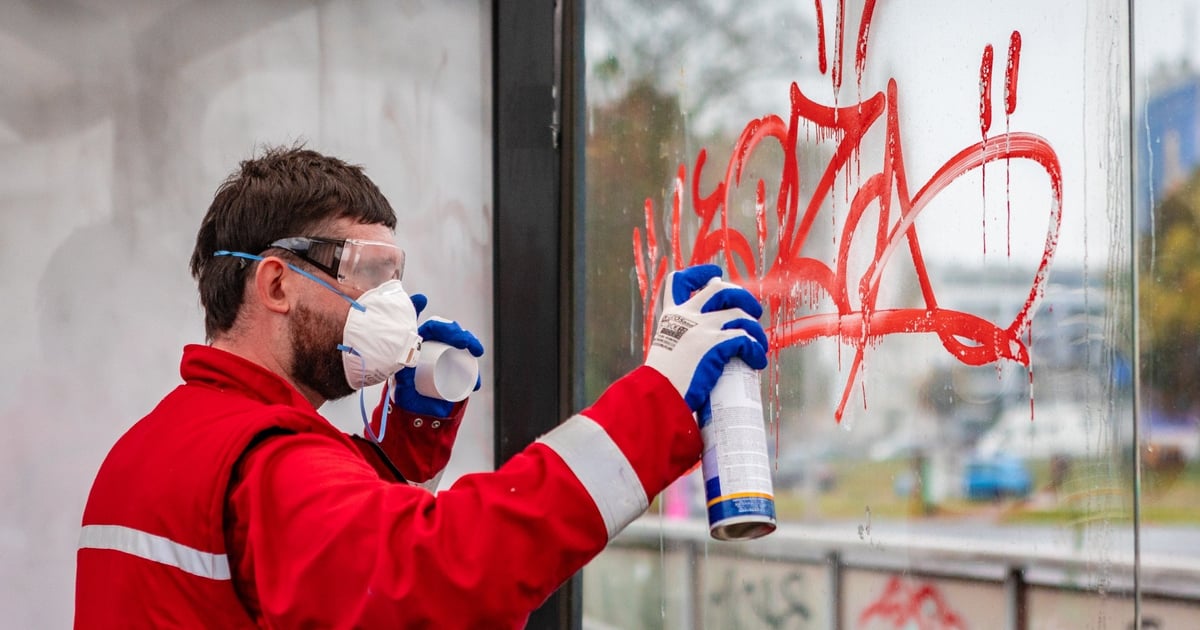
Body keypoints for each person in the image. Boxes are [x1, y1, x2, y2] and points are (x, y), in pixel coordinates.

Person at [74, 146, 769, 628]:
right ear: (277, 283)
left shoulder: (161, 441)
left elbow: (289, 583)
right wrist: (657, 399)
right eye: (369, 273)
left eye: (398, 276)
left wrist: (395, 459)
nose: (396, 303)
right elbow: (440, 579)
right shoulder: (263, 460)